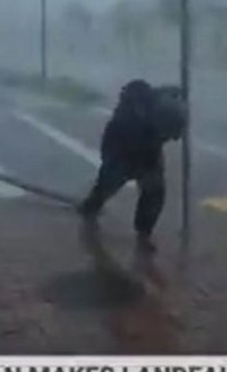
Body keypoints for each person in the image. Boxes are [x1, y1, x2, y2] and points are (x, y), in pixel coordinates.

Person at [77, 79, 184, 253]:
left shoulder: (165, 108)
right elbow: (117, 145)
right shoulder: (128, 119)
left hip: (148, 153)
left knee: (154, 193)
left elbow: (166, 94)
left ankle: (144, 233)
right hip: (121, 150)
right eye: (166, 133)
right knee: (108, 183)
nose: (167, 138)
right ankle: (91, 206)